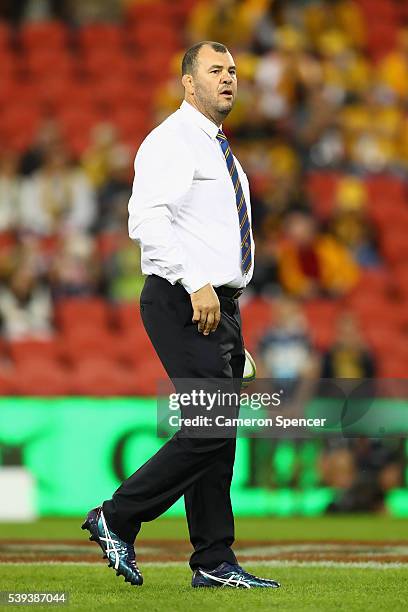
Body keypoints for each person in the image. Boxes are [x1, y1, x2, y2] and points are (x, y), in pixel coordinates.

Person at [82, 41, 280, 590]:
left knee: (218, 435)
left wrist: (229, 319)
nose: (228, 79)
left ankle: (214, 559)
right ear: (187, 83)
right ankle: (116, 516)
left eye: (233, 71)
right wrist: (196, 284)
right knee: (210, 428)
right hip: (184, 297)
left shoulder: (218, 148)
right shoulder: (172, 140)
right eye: (215, 70)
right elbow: (146, 219)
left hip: (218, 305)